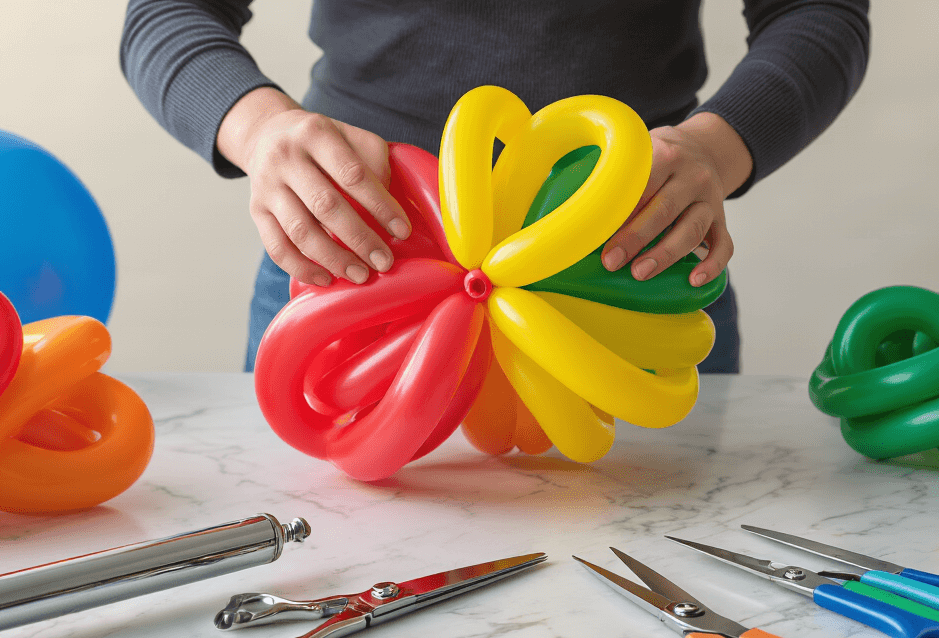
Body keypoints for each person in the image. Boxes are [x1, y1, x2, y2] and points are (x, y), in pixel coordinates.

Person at [121, 1, 870, 373]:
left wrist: (717, 145)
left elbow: (818, 11)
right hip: (358, 260)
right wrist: (259, 133)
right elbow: (167, 12)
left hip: (632, 266)